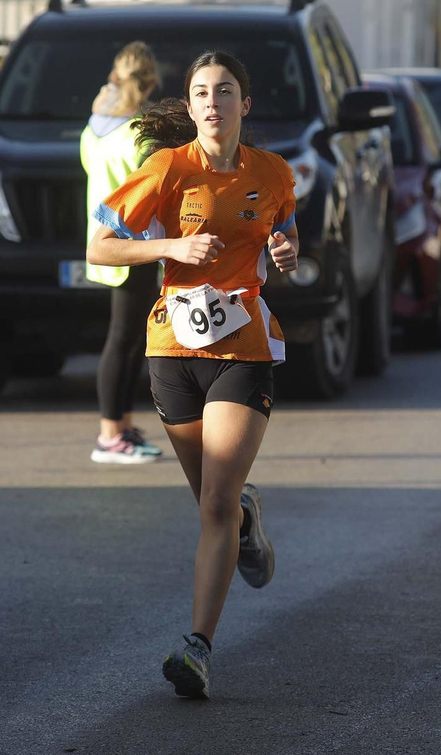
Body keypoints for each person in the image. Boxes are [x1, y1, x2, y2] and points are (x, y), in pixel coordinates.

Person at [85, 51, 299, 699]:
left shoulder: (273, 173)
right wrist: (169, 246)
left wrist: (288, 251)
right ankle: (245, 514)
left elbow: (286, 239)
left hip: (242, 348)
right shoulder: (167, 169)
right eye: (201, 92)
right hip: (171, 348)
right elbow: (100, 244)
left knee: (211, 503)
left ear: (244, 105)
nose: (212, 102)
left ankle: (197, 646)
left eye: (225, 91)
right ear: (193, 105)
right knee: (213, 498)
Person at [82, 41, 166, 464]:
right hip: (132, 243)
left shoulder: (95, 126)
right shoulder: (139, 130)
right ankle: (110, 436)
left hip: (104, 239)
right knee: (122, 339)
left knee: (128, 339)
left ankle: (122, 426)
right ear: (151, 82)